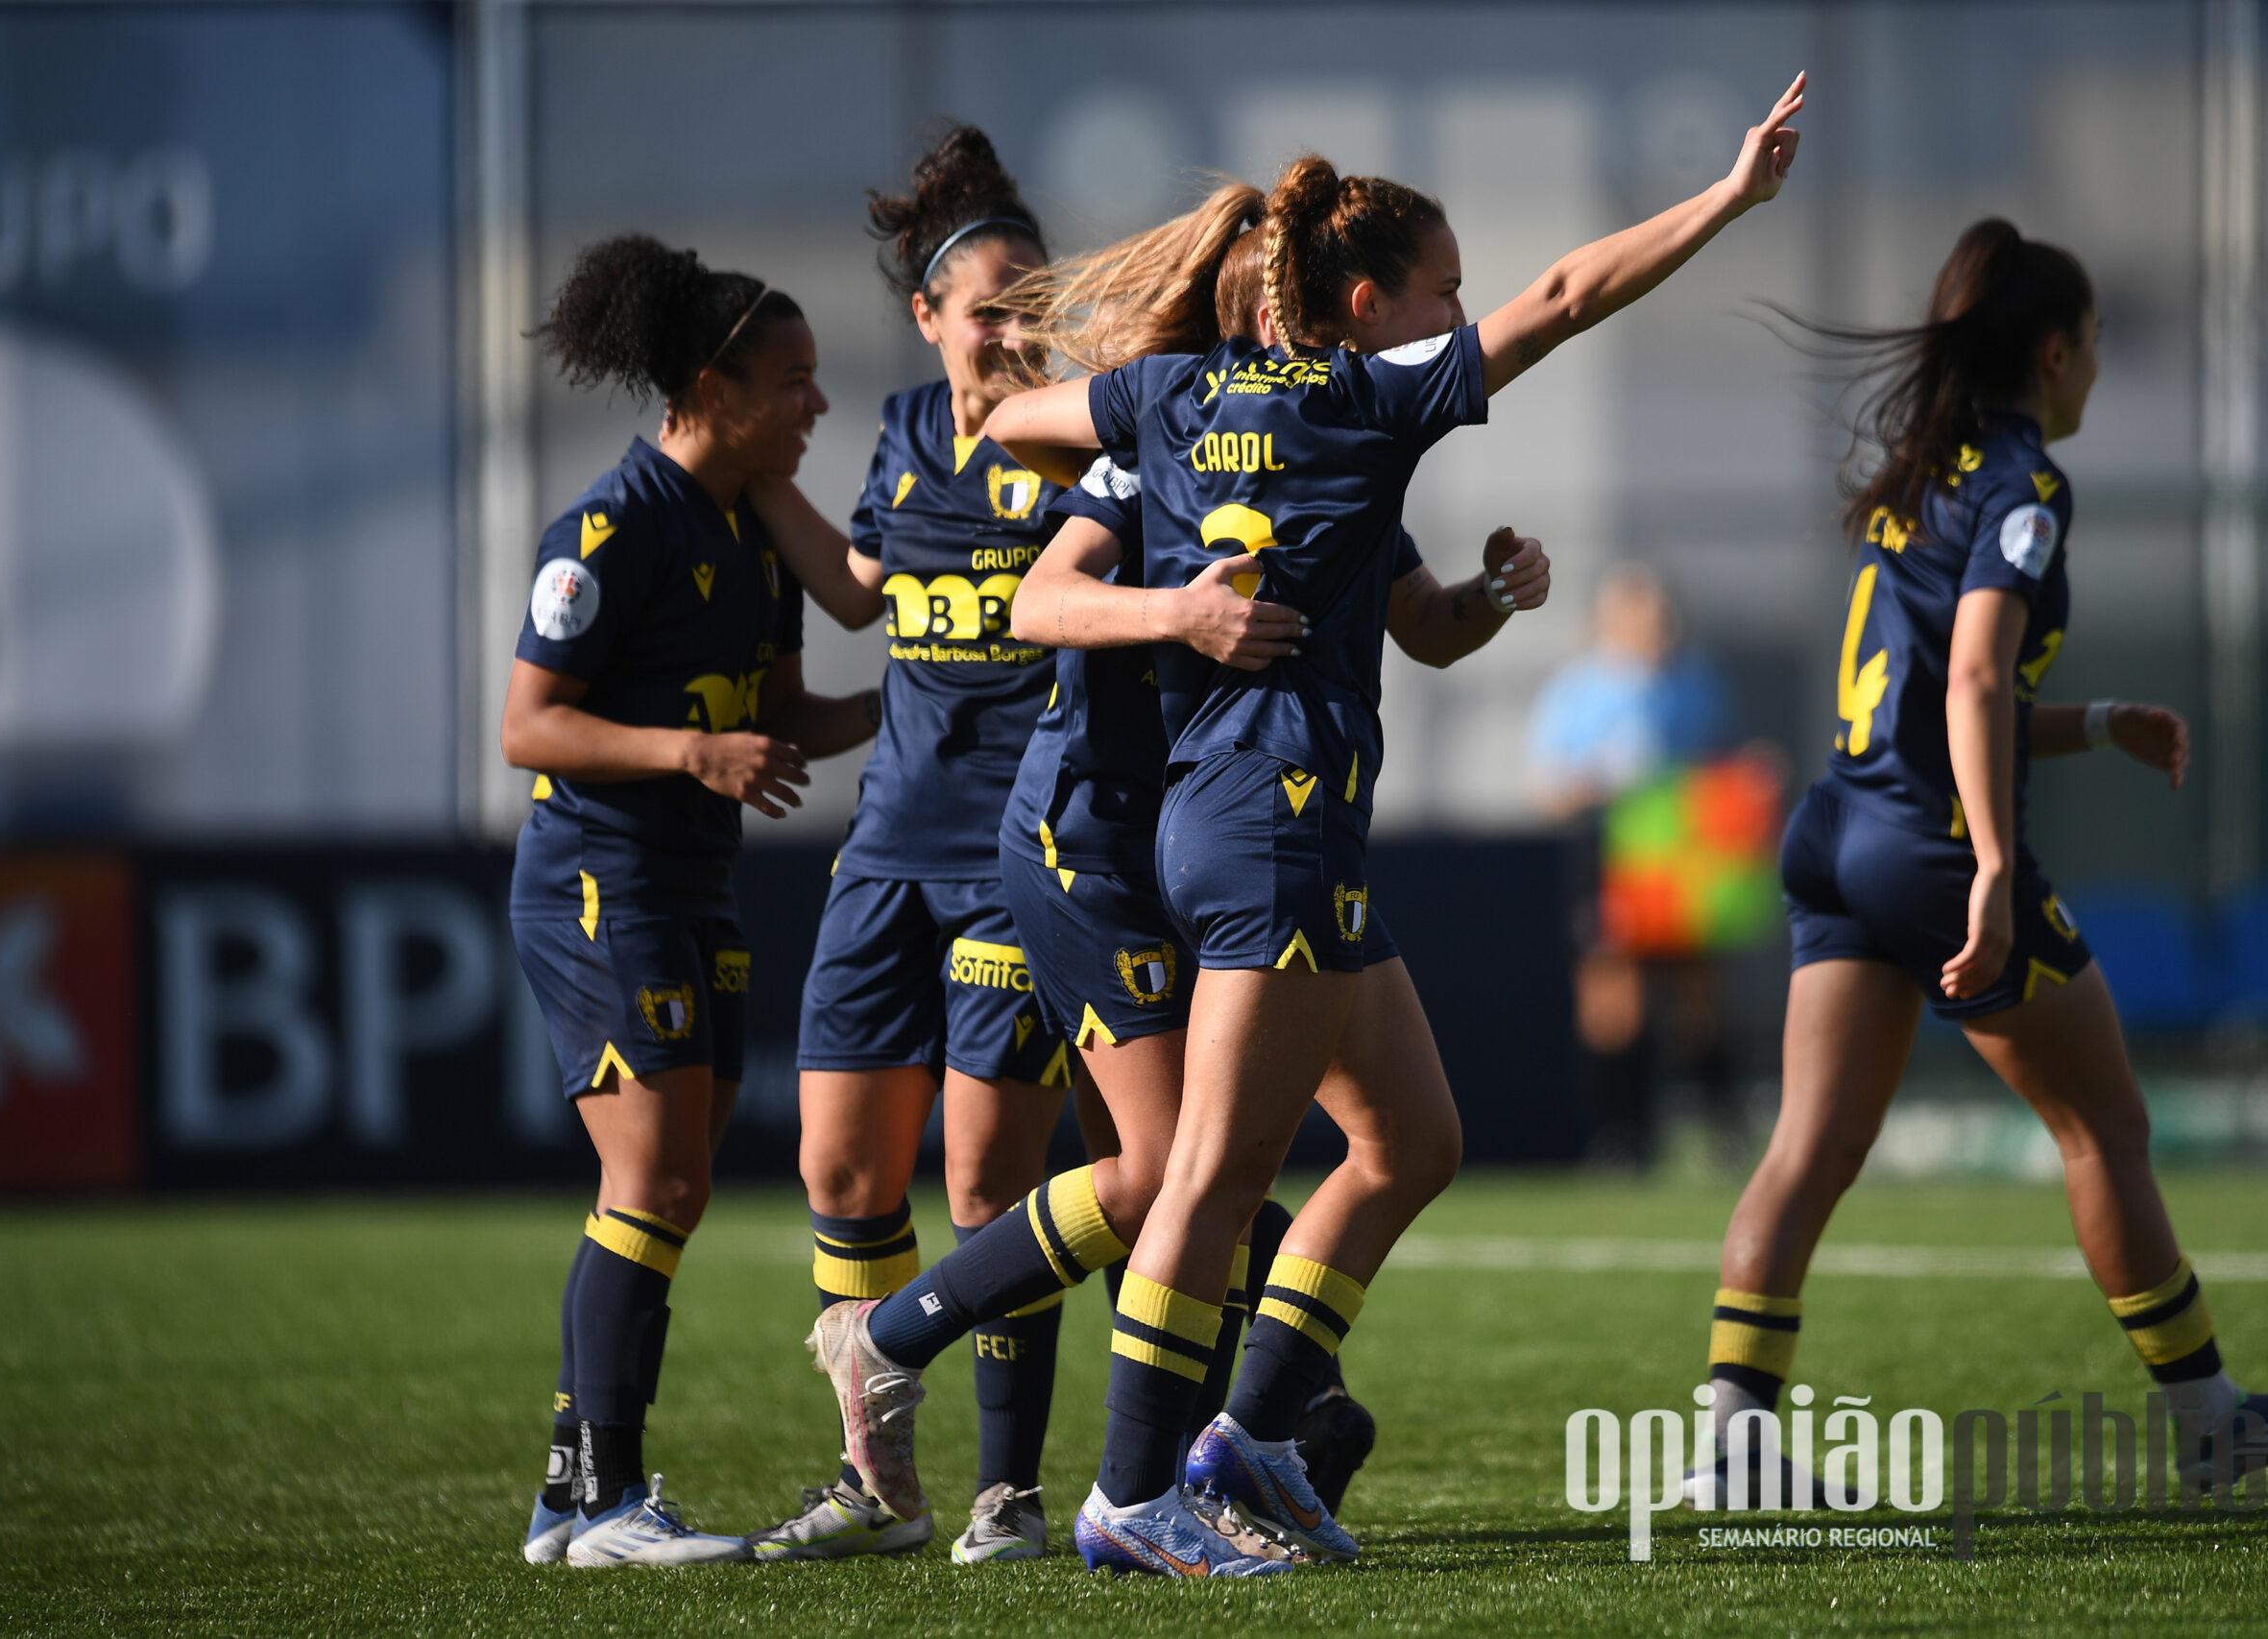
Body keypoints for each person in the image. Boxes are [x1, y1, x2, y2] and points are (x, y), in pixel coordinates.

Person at [950, 73, 1806, 1573]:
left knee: (1412, 1137)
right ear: (1361, 302)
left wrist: (1080, 444)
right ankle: (1134, 1492)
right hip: (1263, 820)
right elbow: (1566, 296)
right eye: (1440, 293)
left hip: (1264, 825)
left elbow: (1013, 421)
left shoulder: (1167, 399)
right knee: (1212, 1171)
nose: (1460, 314)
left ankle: (1252, 1437)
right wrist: (1726, 199)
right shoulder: (1366, 406)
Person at [802, 203, 1546, 1577]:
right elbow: (1041, 599)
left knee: (1388, 1141)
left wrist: (1492, 596)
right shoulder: (1159, 440)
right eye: (1261, 301)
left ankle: (1241, 1440)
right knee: (1170, 1172)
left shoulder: (1318, 450)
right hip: (1097, 843)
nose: (1280, 323)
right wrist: (1179, 610)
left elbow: (1419, 620)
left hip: (1220, 835)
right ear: (1255, 312)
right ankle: (954, 1369)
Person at [1685, 217, 2268, 1506]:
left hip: (1839, 828)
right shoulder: (2022, 485)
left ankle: (1732, 1440)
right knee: (2104, 1122)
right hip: (1932, 845)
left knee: (1810, 1144)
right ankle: (2211, 1419)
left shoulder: (1921, 469)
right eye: (2098, 340)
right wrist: (1996, 864)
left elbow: (1941, 689)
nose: (2101, 366)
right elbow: (1982, 669)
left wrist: (2098, 724)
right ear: (2053, 350)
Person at [502, 233, 878, 1567]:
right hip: (602, 884)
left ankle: (576, 1490)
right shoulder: (609, 528)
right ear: (709, 384)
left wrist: (929, 703)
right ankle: (598, 1500)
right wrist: (686, 753)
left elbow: (782, 718)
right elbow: (528, 727)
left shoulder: (755, 537)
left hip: (693, 882)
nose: (815, 405)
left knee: (674, 1184)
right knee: (652, 1177)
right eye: (792, 379)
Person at [736, 126, 1082, 1567]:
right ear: (928, 314)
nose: (1007, 326)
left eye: (1030, 304)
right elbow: (860, 588)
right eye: (984, 304)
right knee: (839, 1168)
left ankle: (1009, 1490)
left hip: (1020, 845)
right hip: (886, 842)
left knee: (988, 1185)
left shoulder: (1080, 434)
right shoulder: (897, 427)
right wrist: (751, 468)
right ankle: (883, 1484)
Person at [1525, 566, 1745, 1169]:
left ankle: (1726, 1131)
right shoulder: (1578, 690)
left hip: (1684, 856)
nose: (1657, 626)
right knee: (1614, 1002)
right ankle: (1620, 1139)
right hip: (1609, 854)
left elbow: (1725, 765)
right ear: (1611, 620)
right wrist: (1604, 785)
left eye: (1662, 614)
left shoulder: (1697, 683)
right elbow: (1547, 788)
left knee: (1699, 998)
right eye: (1641, 614)